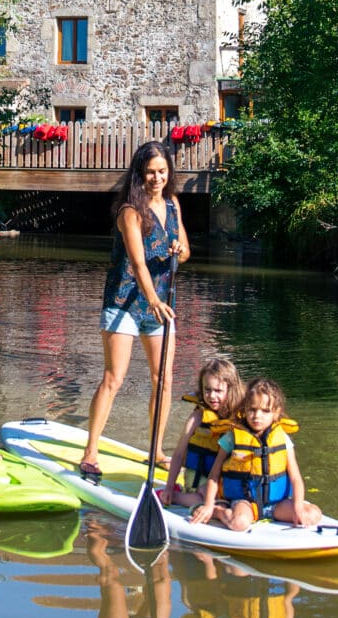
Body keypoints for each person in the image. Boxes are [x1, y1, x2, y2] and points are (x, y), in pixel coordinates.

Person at [79, 140, 190, 482]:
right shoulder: (130, 211)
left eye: (162, 172)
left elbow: (184, 253)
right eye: (150, 172)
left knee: (164, 380)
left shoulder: (172, 205)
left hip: (160, 304)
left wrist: (176, 248)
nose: (156, 178)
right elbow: (138, 263)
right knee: (114, 378)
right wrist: (153, 300)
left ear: (168, 173)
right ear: (139, 174)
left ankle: (155, 450)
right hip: (125, 301)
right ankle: (91, 451)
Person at [192, 378, 324, 533]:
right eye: (252, 409)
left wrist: (298, 507)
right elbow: (214, 475)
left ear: (276, 413)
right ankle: (218, 511)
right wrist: (208, 505)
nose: (257, 416)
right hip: (246, 503)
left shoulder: (282, 438)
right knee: (238, 524)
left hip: (276, 505)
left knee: (314, 514)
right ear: (244, 409)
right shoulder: (232, 437)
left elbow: (296, 478)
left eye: (265, 411)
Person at [160, 354, 242, 508]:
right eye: (207, 390)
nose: (212, 396)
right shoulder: (197, 417)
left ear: (231, 389)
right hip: (200, 477)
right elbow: (178, 454)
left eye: (218, 390)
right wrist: (169, 486)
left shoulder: (241, 417)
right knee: (211, 498)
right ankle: (176, 496)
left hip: (224, 476)